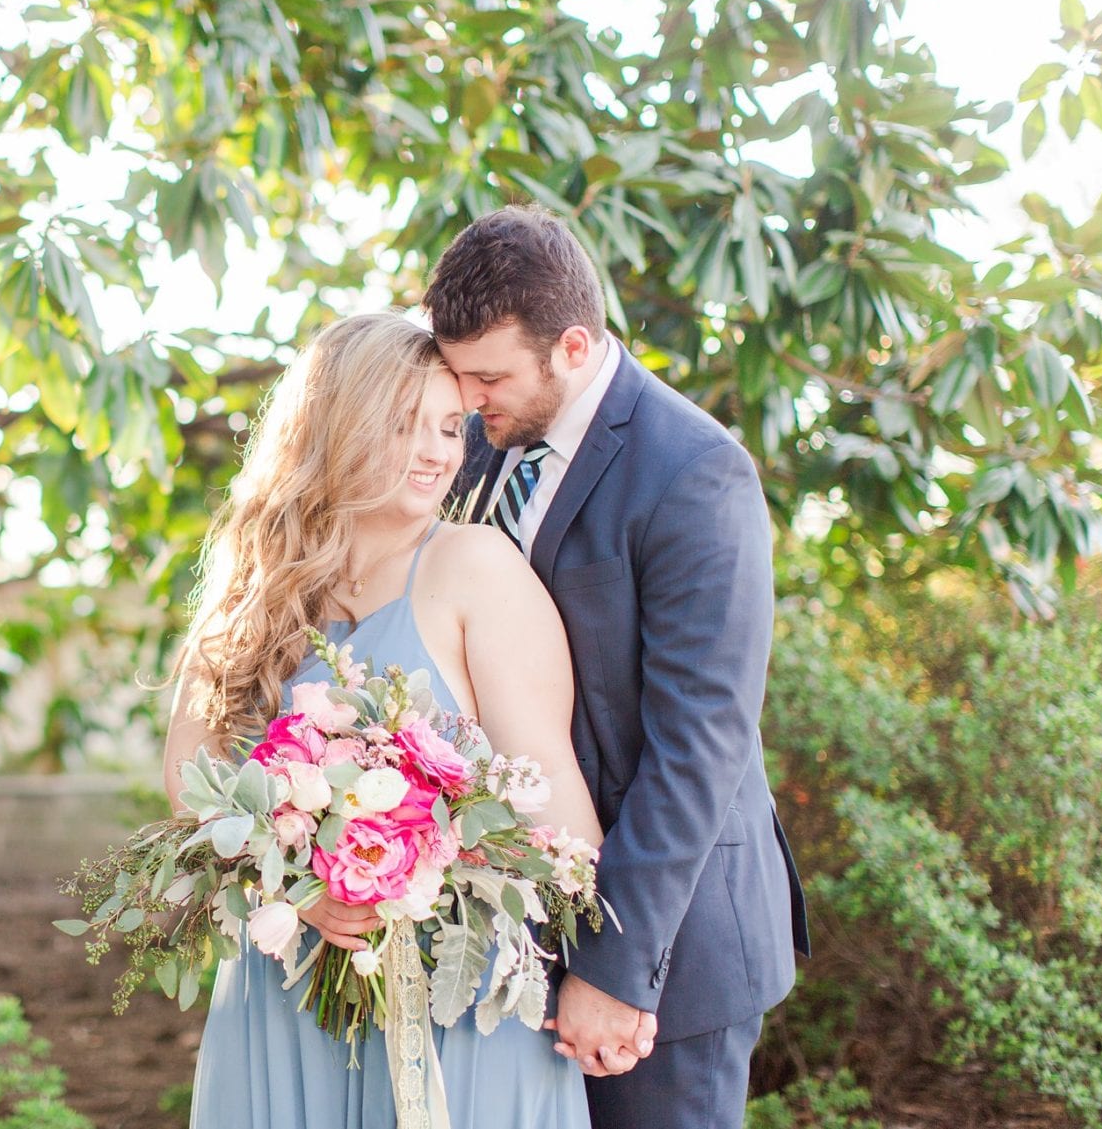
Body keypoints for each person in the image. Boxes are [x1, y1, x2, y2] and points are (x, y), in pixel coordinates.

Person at [162, 311, 603, 1128]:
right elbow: (189, 784)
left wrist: (599, 969)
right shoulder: (250, 592)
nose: (439, 450)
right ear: (335, 425)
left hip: (456, 1003)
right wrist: (298, 888)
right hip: (285, 993)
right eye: (405, 424)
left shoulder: (476, 568)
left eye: (450, 425)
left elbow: (558, 808)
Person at [423, 204, 811, 1129]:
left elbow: (700, 747)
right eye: (459, 375)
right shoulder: (480, 441)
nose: (470, 400)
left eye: (490, 375)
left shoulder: (695, 473)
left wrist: (610, 961)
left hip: (666, 948)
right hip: (510, 934)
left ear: (570, 345)